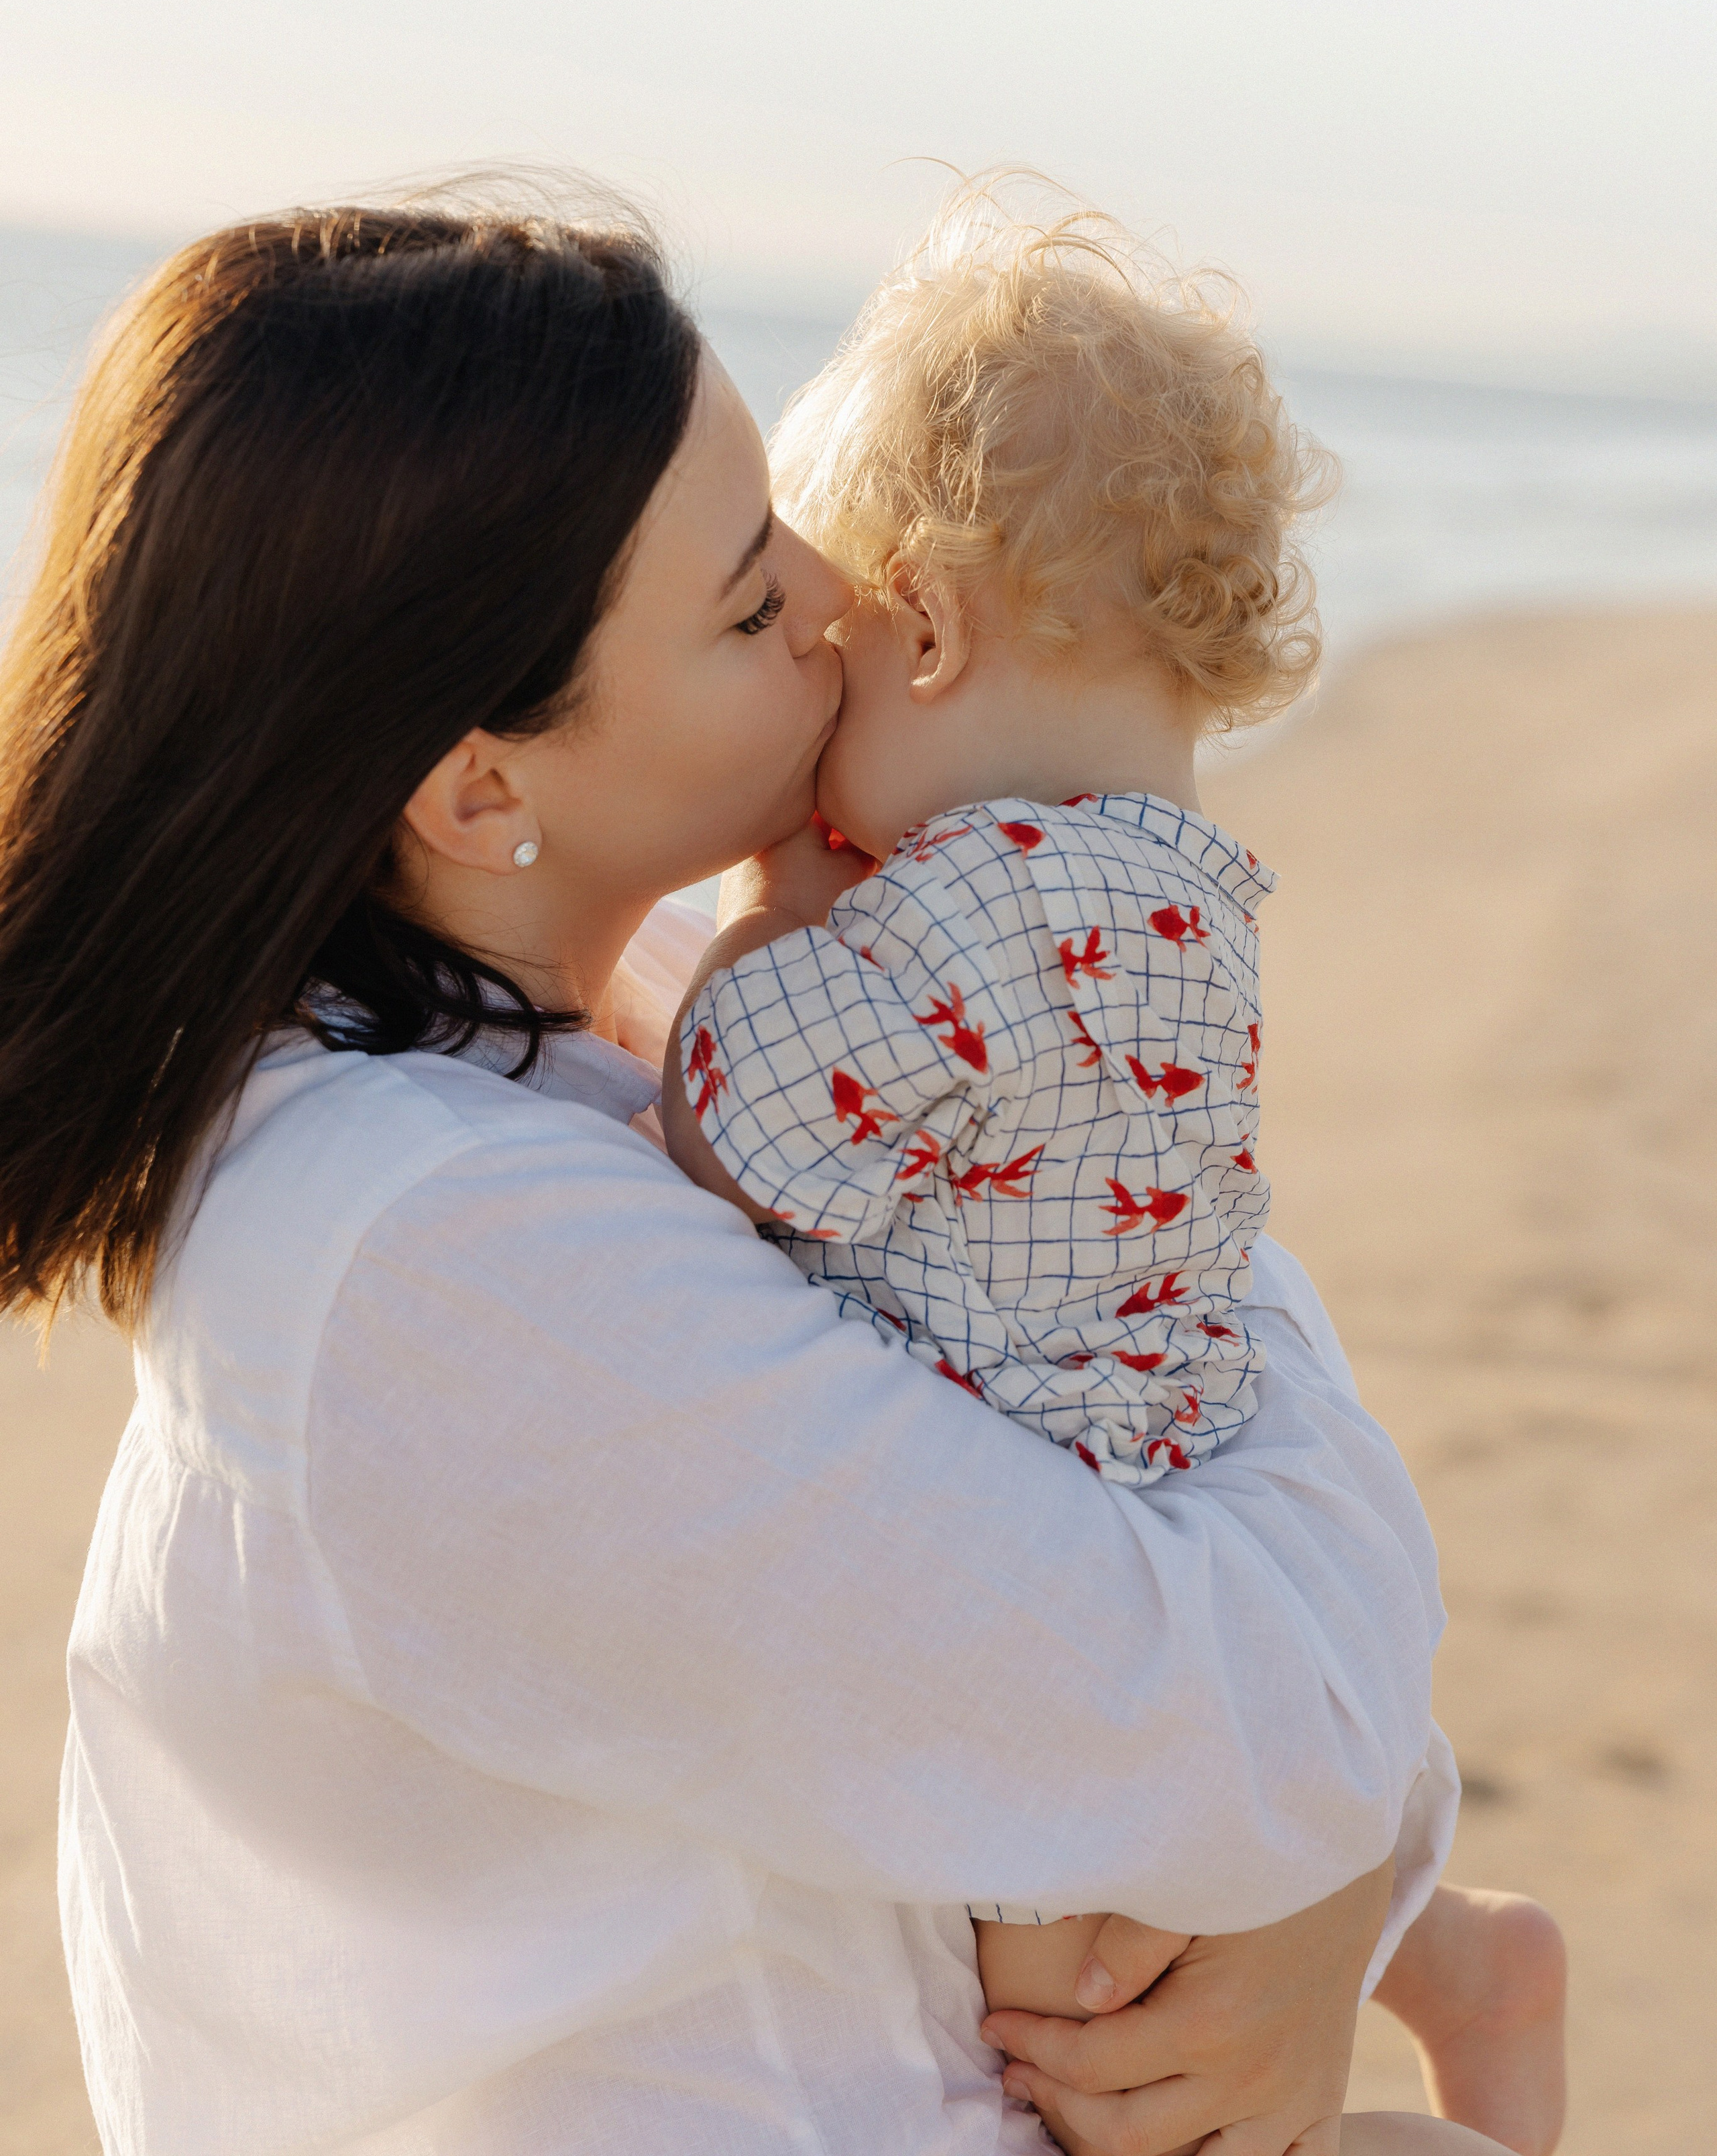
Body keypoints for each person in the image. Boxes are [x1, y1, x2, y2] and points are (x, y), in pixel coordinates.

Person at [0, 193, 1489, 2154]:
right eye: (744, 598)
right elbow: (1253, 1701)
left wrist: (1340, 1871)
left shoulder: (630, 1026)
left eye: (782, 518)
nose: (843, 597)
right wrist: (1331, 1853)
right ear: (480, 787)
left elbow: (1166, 1364)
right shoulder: (434, 1256)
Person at [664, 185, 1565, 2155]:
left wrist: (760, 918)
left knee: (1080, 2041)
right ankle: (1459, 1961)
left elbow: (749, 1125)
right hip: (1167, 1442)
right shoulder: (1186, 892)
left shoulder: (972, 911)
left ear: (923, 628)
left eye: (823, 682)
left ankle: (1458, 2009)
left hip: (1049, 1521)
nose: (817, 789)